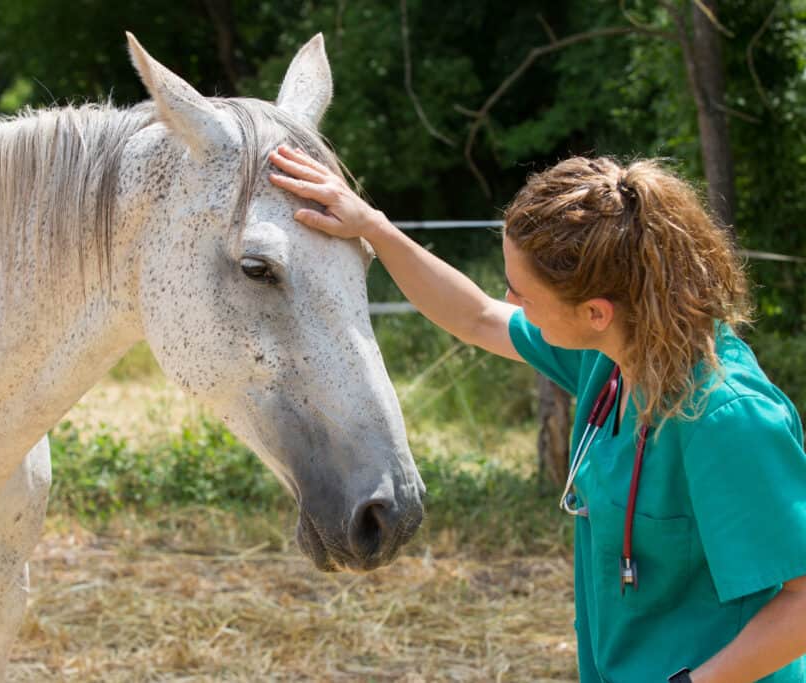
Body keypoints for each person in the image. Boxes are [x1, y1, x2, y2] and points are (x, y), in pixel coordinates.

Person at [268, 145, 806, 683]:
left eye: (522, 292)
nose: (508, 297)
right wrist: (374, 229)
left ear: (596, 312)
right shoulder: (613, 357)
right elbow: (477, 317)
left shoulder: (728, 419)